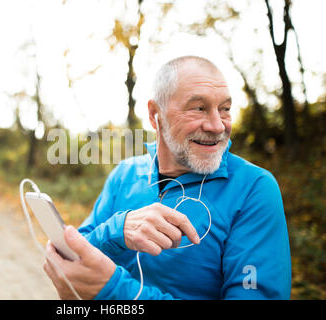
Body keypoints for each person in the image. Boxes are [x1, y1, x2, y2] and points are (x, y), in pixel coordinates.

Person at [43, 56, 291, 300]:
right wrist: (120, 229)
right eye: (199, 108)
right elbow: (78, 251)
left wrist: (116, 291)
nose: (217, 126)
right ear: (155, 115)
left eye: (224, 109)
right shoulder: (125, 174)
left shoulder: (254, 188)